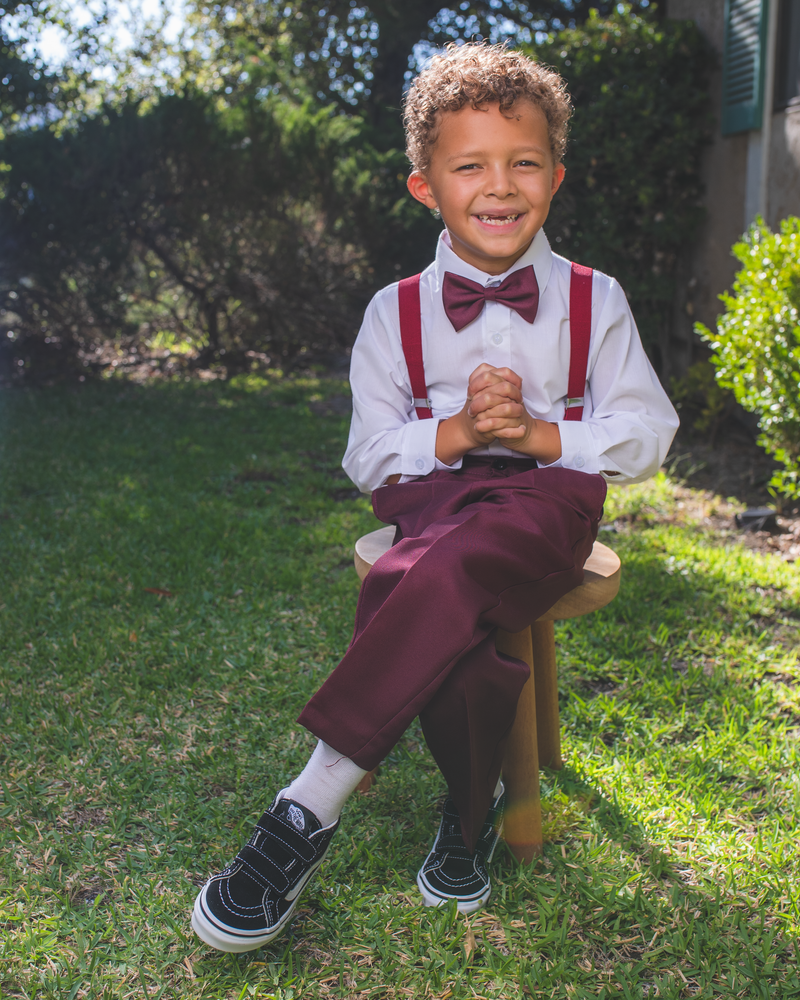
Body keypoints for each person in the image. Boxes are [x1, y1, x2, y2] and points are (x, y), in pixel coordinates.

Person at [191, 41, 679, 953]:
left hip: (549, 500)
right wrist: (453, 434)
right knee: (421, 573)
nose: (501, 186)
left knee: (421, 579)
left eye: (524, 162)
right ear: (427, 186)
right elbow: (370, 457)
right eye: (471, 166)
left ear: (556, 177)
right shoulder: (393, 312)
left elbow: (650, 431)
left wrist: (537, 435)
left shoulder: (596, 299)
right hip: (431, 503)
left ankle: (311, 802)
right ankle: (471, 810)